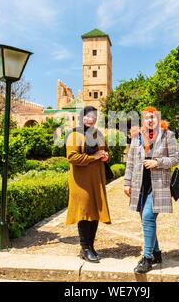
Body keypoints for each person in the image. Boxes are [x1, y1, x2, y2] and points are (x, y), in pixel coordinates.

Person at [124, 106, 179, 273]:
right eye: (147, 117)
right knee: (146, 219)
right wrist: (127, 182)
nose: (150, 120)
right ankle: (156, 252)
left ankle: (147, 258)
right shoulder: (137, 137)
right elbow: (131, 161)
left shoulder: (168, 135)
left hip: (159, 185)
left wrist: (158, 163)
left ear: (158, 119)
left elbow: (175, 159)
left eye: (153, 117)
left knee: (148, 217)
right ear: (143, 120)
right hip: (140, 184)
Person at [65, 106, 111, 263]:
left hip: (96, 179)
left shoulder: (98, 134)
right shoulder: (74, 134)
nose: (91, 119)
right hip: (81, 181)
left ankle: (90, 246)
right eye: (88, 116)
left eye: (94, 116)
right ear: (81, 117)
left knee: (95, 212)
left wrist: (105, 157)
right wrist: (94, 157)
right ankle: (85, 248)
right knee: (84, 212)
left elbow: (105, 152)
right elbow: (72, 157)